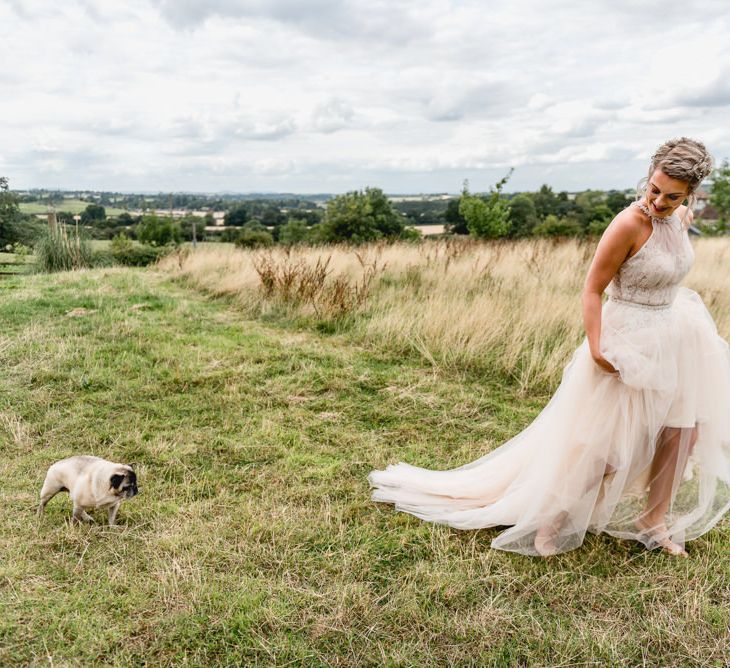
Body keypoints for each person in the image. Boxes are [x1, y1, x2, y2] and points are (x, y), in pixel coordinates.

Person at [368, 137, 729, 557]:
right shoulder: (629, 223)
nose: (659, 202)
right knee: (609, 445)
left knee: (682, 430)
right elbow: (592, 289)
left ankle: (654, 520)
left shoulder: (681, 218)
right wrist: (597, 348)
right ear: (647, 179)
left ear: (691, 194)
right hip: (626, 338)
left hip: (674, 333)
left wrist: (674, 217)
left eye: (672, 196)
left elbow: (671, 255)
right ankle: (552, 519)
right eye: (653, 189)